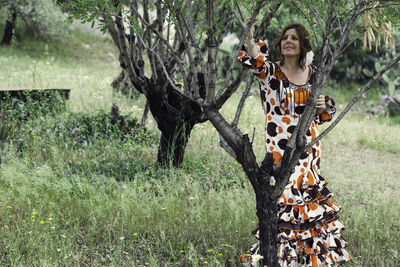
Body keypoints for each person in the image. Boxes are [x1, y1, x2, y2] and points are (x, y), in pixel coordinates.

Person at [237, 18, 352, 266]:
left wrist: (323, 103)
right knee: (285, 198)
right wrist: (250, 35)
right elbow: (254, 58)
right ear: (281, 44)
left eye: (295, 38)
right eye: (286, 38)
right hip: (280, 148)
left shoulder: (315, 74)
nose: (289, 41)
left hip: (308, 148)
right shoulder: (271, 72)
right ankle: (282, 257)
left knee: (306, 198)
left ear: (303, 45)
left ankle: (311, 258)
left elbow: (323, 113)